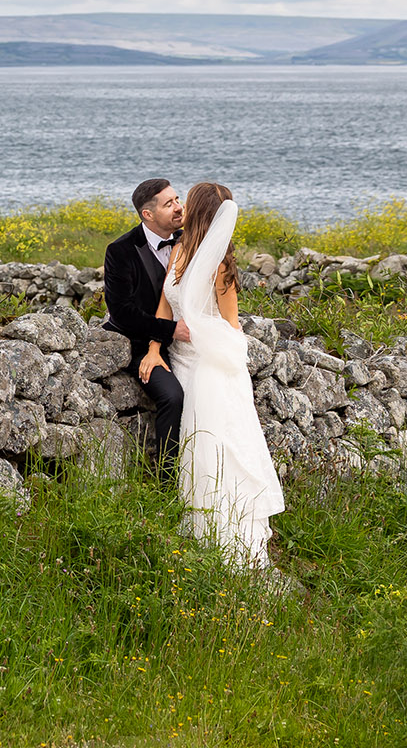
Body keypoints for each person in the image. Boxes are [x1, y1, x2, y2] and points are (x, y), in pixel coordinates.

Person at [150, 182, 285, 568]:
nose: (181, 206)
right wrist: (155, 350)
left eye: (187, 201)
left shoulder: (220, 264)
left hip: (208, 363)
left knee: (216, 446)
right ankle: (198, 525)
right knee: (197, 446)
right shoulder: (179, 250)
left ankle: (226, 533)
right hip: (180, 358)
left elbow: (229, 323)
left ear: (199, 209)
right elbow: (164, 308)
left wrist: (221, 354)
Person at [102, 178, 191, 478]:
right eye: (169, 204)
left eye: (177, 199)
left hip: (187, 340)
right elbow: (123, 314)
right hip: (138, 344)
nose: (178, 207)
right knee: (172, 396)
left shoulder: (190, 241)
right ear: (148, 214)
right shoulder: (120, 251)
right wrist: (170, 331)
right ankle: (167, 482)